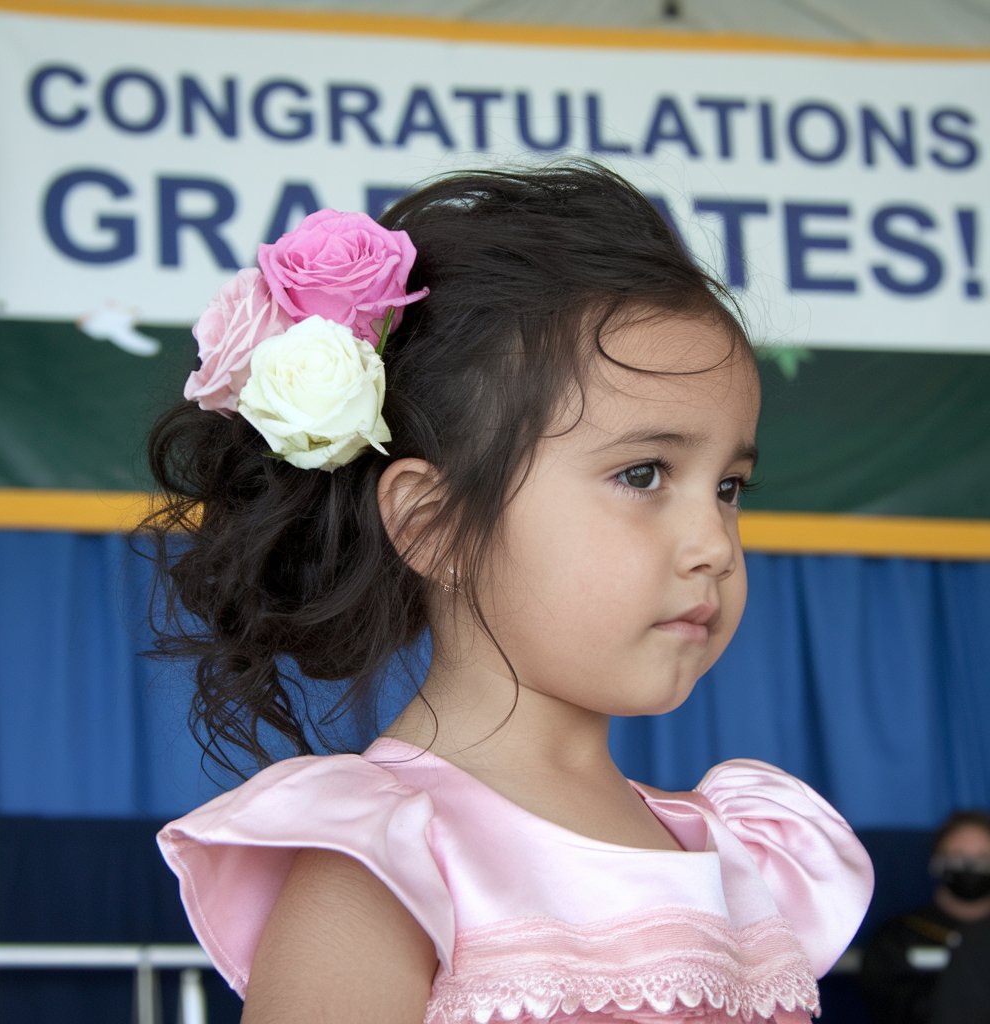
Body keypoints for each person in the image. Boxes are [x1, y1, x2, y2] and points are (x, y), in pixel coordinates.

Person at [148, 162, 874, 1024]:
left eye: (729, 487)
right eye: (644, 474)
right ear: (432, 525)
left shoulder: (752, 854)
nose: (714, 544)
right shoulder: (385, 868)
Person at [861, 810, 990, 1024]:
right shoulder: (899, 937)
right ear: (936, 861)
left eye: (983, 858)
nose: (969, 866)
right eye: (958, 856)